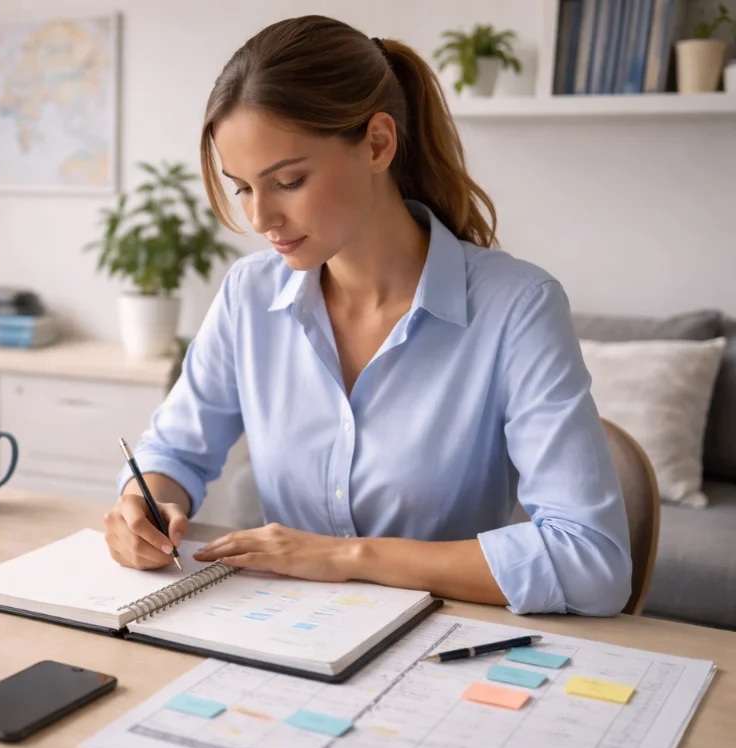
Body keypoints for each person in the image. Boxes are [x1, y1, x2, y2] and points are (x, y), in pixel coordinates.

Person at [103, 15, 632, 616]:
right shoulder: (249, 296)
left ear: (378, 144)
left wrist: (346, 557)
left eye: (288, 181)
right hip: (283, 633)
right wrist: (141, 502)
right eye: (243, 187)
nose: (260, 219)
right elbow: (173, 452)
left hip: (441, 647)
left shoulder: (518, 307)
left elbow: (593, 561)